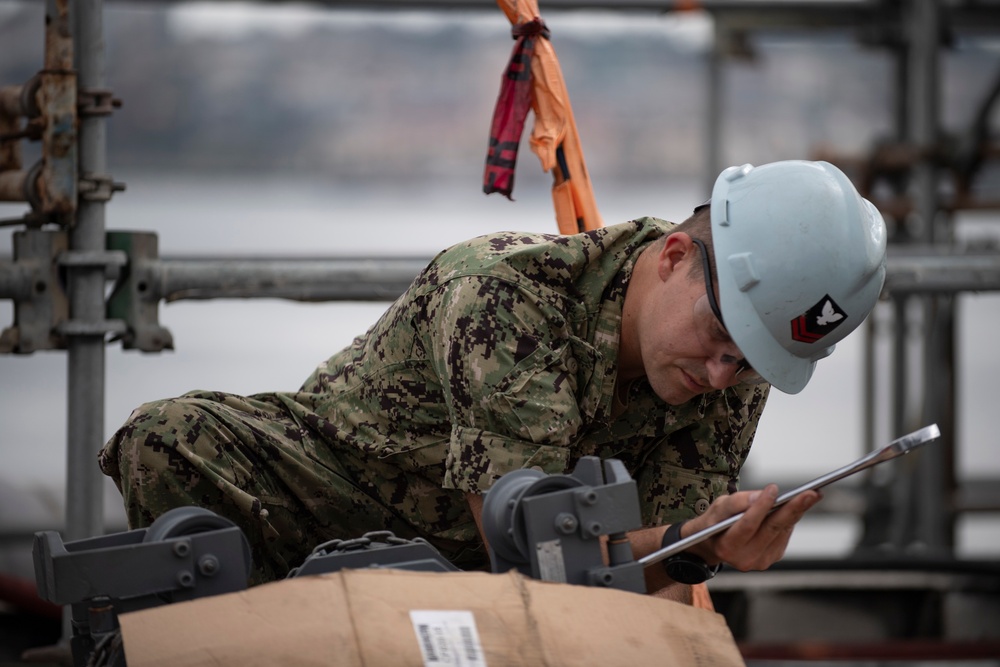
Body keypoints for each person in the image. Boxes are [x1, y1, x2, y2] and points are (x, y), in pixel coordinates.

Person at [99, 159, 887, 601]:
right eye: (720, 337)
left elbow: (645, 582)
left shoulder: (735, 368)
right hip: (336, 496)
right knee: (168, 437)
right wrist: (687, 543)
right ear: (674, 258)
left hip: (488, 575)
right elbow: (536, 550)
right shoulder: (507, 295)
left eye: (748, 361)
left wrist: (701, 550)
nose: (723, 374)